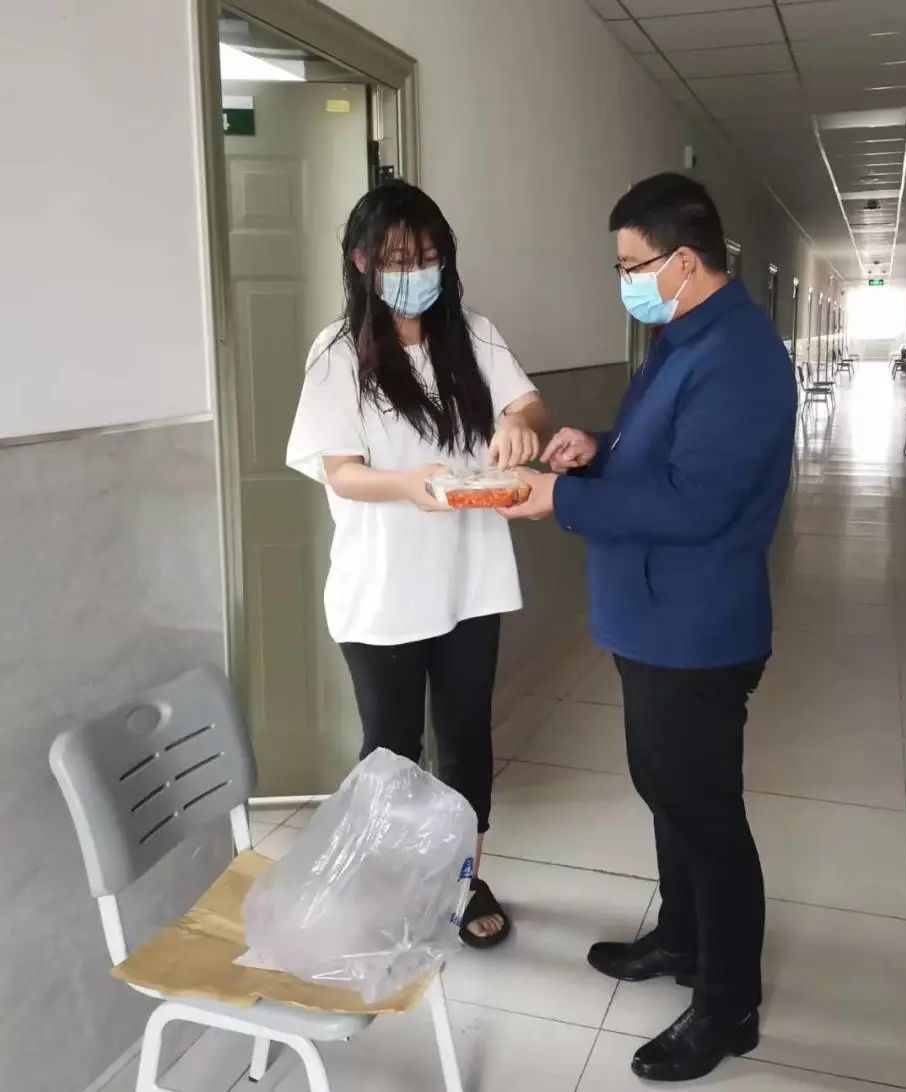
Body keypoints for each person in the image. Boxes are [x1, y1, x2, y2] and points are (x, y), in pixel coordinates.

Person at [502, 173, 796, 1080]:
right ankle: (682, 938)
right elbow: (659, 453)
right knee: (665, 791)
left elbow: (698, 501)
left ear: (684, 260)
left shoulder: (740, 354)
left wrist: (560, 499)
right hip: (651, 619)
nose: (624, 280)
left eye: (632, 265)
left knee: (705, 815)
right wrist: (597, 447)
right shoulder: (682, 337)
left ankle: (728, 1005)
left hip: (695, 628)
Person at [286, 181, 550, 949]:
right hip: (381, 591)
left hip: (470, 582)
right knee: (391, 751)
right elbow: (341, 472)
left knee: (466, 739)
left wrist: (517, 424)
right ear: (362, 262)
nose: (416, 273)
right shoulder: (338, 354)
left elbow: (529, 405)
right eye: (399, 260)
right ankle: (388, 887)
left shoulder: (474, 335)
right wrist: (411, 486)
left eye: (429, 257)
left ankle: (463, 880)